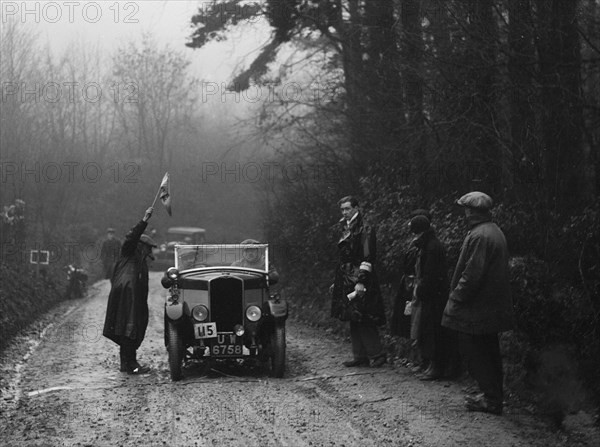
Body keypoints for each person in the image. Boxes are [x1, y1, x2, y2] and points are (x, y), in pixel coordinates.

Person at [442, 192, 514, 414]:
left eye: (466, 209)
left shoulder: (480, 235)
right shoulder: (492, 231)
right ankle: (493, 396)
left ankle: (491, 400)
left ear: (472, 212)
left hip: (478, 308)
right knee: (489, 351)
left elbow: (472, 275)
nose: (464, 213)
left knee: (476, 353)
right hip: (488, 306)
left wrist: (455, 298)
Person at [331, 196, 386, 368]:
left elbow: (367, 257)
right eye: (342, 210)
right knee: (353, 316)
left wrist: (361, 281)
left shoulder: (365, 228)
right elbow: (342, 258)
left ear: (357, 208)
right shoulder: (345, 228)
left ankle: (377, 354)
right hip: (346, 276)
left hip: (361, 277)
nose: (345, 213)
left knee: (364, 316)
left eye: (347, 209)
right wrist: (337, 281)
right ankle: (360, 356)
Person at [103, 207, 157, 375]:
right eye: (148, 247)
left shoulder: (142, 262)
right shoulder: (128, 253)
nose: (150, 251)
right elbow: (131, 237)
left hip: (135, 300)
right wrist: (144, 220)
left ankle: (126, 364)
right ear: (141, 246)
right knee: (128, 330)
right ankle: (131, 365)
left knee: (130, 329)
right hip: (125, 298)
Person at [408, 214, 449, 381]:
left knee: (434, 332)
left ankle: (436, 367)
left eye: (415, 233)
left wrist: (420, 290)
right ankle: (431, 364)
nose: (413, 237)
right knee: (428, 330)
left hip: (434, 296)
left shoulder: (432, 247)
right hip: (431, 295)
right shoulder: (428, 244)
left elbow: (430, 275)